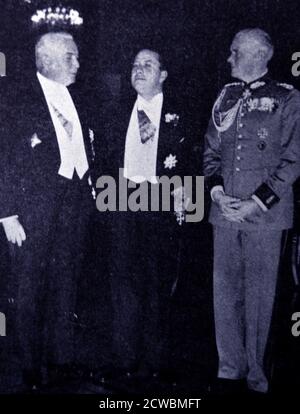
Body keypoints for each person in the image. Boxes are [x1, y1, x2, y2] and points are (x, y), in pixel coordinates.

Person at [203, 28, 300, 394]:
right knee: (224, 294)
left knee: (260, 297)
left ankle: (257, 377)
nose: (228, 58)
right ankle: (229, 369)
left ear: (257, 55)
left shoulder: (287, 98)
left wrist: (256, 201)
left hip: (265, 216)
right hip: (224, 213)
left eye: (234, 52)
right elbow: (210, 151)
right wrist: (216, 192)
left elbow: (293, 160)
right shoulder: (225, 96)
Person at [0, 31, 96, 389]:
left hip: (74, 203)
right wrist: (6, 213)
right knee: (29, 289)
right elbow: (4, 154)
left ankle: (61, 360)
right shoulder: (16, 97)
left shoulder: (79, 98)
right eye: (71, 56)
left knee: (65, 285)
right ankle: (29, 367)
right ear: (50, 60)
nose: (78, 63)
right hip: (31, 211)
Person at [96, 48, 192, 386]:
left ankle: (156, 361)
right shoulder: (117, 110)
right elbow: (103, 158)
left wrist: (184, 203)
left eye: (147, 65)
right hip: (122, 198)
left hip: (163, 200)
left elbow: (194, 160)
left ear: (163, 75)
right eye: (135, 65)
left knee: (157, 283)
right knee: (122, 282)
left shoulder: (182, 113)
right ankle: (123, 359)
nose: (138, 70)